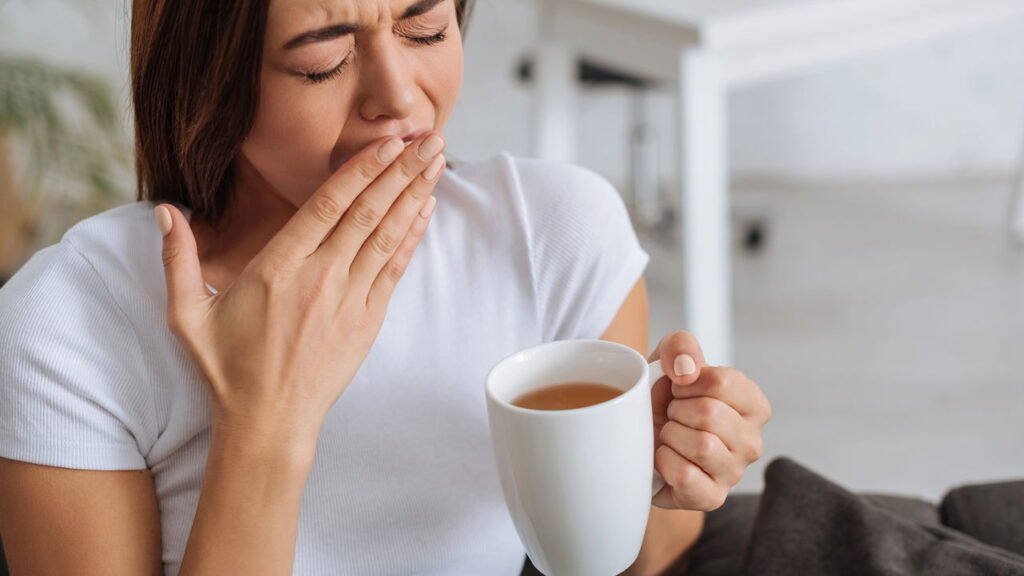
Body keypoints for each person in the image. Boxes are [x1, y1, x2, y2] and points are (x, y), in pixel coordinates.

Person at [0, 0, 771, 574]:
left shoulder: (556, 233)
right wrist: (265, 420)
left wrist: (671, 467)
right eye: (321, 61)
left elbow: (636, 558)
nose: (399, 100)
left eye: (426, 28)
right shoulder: (68, 325)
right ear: (207, 78)